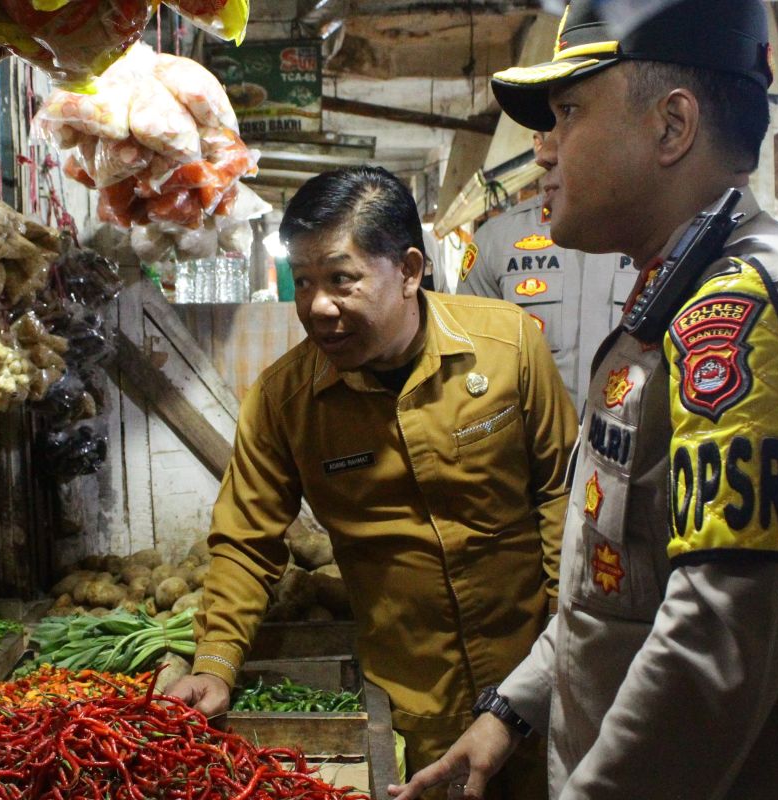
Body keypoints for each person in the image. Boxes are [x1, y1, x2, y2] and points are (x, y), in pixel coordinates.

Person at [390, 1, 778, 798]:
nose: (545, 152)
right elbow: (621, 579)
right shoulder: (674, 296)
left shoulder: (750, 311)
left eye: (569, 112)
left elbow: (713, 649)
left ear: (672, 127)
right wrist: (512, 710)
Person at [167, 166, 579, 799]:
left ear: (410, 270)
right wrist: (217, 661)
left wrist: (559, 652)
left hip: (539, 685)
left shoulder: (508, 349)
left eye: (341, 279)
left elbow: (563, 496)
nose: (316, 306)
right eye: (302, 282)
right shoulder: (286, 401)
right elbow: (247, 541)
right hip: (416, 708)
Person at [458, 132, 634, 410]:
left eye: (569, 122)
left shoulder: (656, 232)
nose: (544, 156)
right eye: (544, 137)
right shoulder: (497, 241)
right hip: (533, 448)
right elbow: (473, 373)